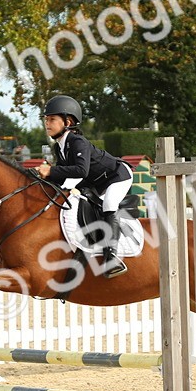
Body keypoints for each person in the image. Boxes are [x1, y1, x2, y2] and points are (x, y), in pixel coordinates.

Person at [35, 95, 132, 277]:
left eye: (52, 119)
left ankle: (111, 257)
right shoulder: (59, 147)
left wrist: (51, 171)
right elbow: (66, 177)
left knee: (109, 204)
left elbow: (80, 170)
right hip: (96, 182)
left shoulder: (77, 141)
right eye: (46, 119)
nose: (47, 123)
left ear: (68, 121)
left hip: (117, 176)